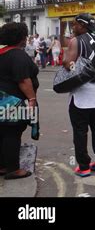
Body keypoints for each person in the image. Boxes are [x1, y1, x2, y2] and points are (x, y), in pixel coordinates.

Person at [63, 13, 95, 177]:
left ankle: (84, 165)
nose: (73, 27)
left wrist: (71, 67)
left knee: (80, 131)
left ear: (82, 25)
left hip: (81, 94)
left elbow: (69, 64)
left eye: (75, 24)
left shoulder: (76, 41)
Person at [0, 22, 38, 180]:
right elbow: (23, 80)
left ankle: (2, 165)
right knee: (12, 133)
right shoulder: (18, 55)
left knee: (2, 132)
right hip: (14, 102)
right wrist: (32, 99)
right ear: (21, 38)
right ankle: (13, 169)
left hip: (2, 99)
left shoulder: (2, 53)